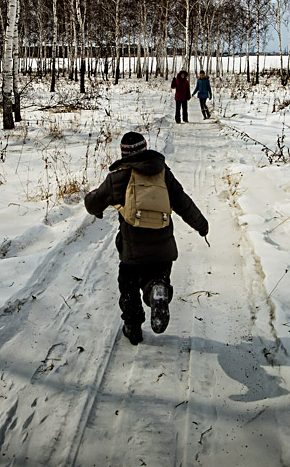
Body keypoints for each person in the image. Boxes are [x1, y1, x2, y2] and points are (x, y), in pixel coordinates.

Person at [84, 131, 209, 345]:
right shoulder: (162, 172)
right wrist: (201, 224)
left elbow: (93, 203)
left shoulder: (118, 177)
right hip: (163, 248)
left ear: (124, 154)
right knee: (156, 276)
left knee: (129, 285)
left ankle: (132, 327)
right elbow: (182, 201)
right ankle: (156, 289)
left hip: (132, 251)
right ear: (145, 148)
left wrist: (94, 203)